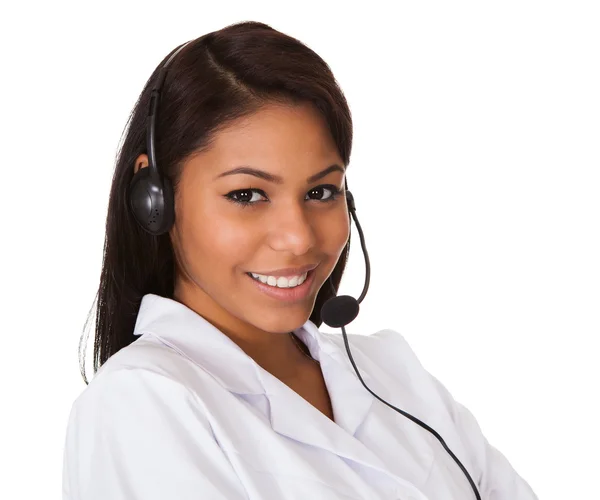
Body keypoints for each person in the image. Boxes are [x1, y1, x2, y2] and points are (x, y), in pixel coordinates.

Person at [62, 21, 539, 500]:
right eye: (247, 194)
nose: (297, 238)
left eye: (320, 191)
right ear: (154, 198)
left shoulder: (390, 372)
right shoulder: (141, 403)